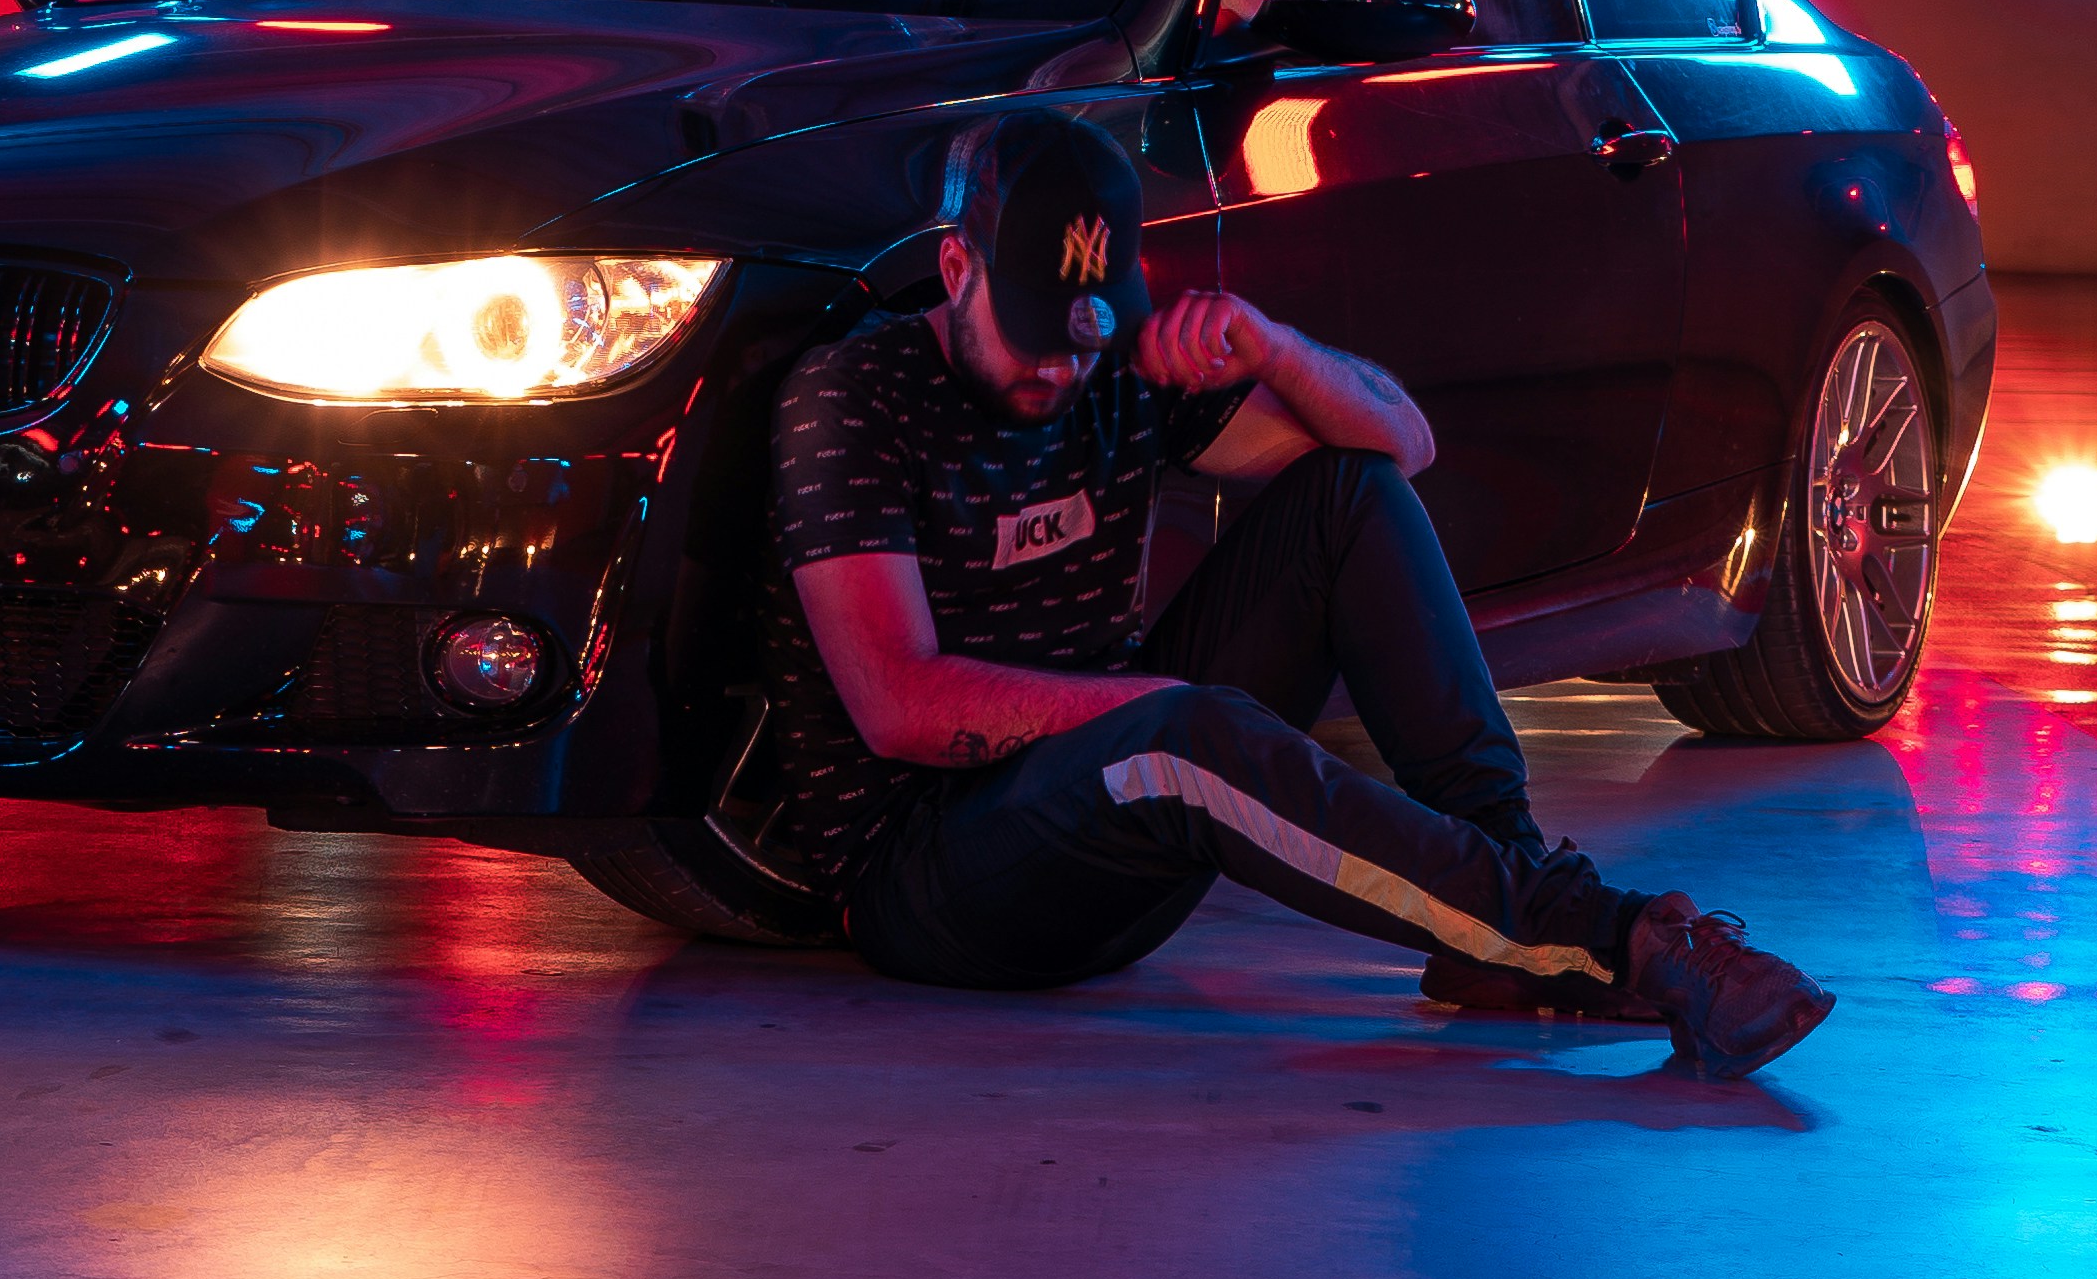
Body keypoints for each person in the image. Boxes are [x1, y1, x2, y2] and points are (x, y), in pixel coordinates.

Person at [751, 107, 1834, 1081]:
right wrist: (1154, 710)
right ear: (955, 269)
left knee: (1345, 491)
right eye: (1034, 335)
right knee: (1183, 727)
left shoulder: (1113, 368)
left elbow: (1401, 447)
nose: (1057, 372)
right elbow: (898, 702)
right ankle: (1618, 937)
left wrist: (1272, 347)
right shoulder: (853, 397)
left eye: (1079, 338)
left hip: (1116, 817)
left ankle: (1500, 889)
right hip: (934, 882)